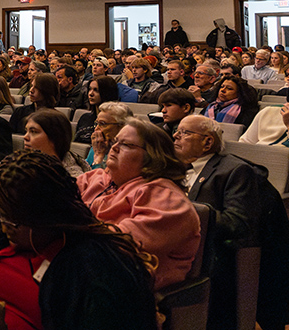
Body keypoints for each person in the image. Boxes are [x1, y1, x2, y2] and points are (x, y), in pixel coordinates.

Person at [0, 150, 158, 330]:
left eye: (12, 219)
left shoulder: (98, 270)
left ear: (45, 218)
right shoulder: (1, 237)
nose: (4, 225)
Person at [77, 118, 200, 289]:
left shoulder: (166, 198)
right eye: (115, 141)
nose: (114, 147)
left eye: (126, 144)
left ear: (153, 156)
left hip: (124, 289)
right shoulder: (94, 179)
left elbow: (120, 245)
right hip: (84, 272)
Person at [173, 114, 261, 330]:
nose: (175, 136)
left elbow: (238, 224)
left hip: (210, 252)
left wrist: (189, 214)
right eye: (177, 130)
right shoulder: (172, 166)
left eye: (184, 132)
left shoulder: (234, 170)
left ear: (207, 141)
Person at [85, 101, 130, 169]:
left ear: (121, 126)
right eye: (96, 124)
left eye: (102, 124)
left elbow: (106, 178)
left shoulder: (127, 152)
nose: (96, 129)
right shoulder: (98, 145)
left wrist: (99, 156)